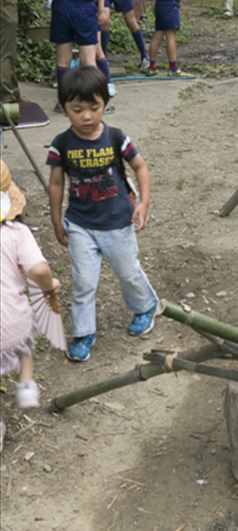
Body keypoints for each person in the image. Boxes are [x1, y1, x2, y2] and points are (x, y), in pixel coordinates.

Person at [46, 66, 158, 362]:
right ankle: (83, 332)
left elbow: (140, 167)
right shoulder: (62, 144)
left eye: (94, 108)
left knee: (128, 272)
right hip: (80, 224)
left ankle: (145, 307)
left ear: (105, 104)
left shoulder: (116, 137)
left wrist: (144, 202)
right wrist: (57, 219)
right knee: (83, 281)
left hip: (117, 222)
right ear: (63, 108)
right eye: (77, 109)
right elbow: (56, 183)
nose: (86, 116)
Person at [1, 160, 61, 449]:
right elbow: (37, 270)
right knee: (25, 340)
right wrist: (49, 286)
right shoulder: (15, 233)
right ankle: (26, 386)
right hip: (10, 324)